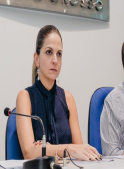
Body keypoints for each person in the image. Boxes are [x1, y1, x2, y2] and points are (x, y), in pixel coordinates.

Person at [16, 25, 101, 160]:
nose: (55, 60)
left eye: (59, 54)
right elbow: (29, 152)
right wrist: (67, 148)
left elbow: (79, 152)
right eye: (49, 52)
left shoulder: (68, 98)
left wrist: (46, 149)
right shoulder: (25, 97)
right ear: (36, 59)